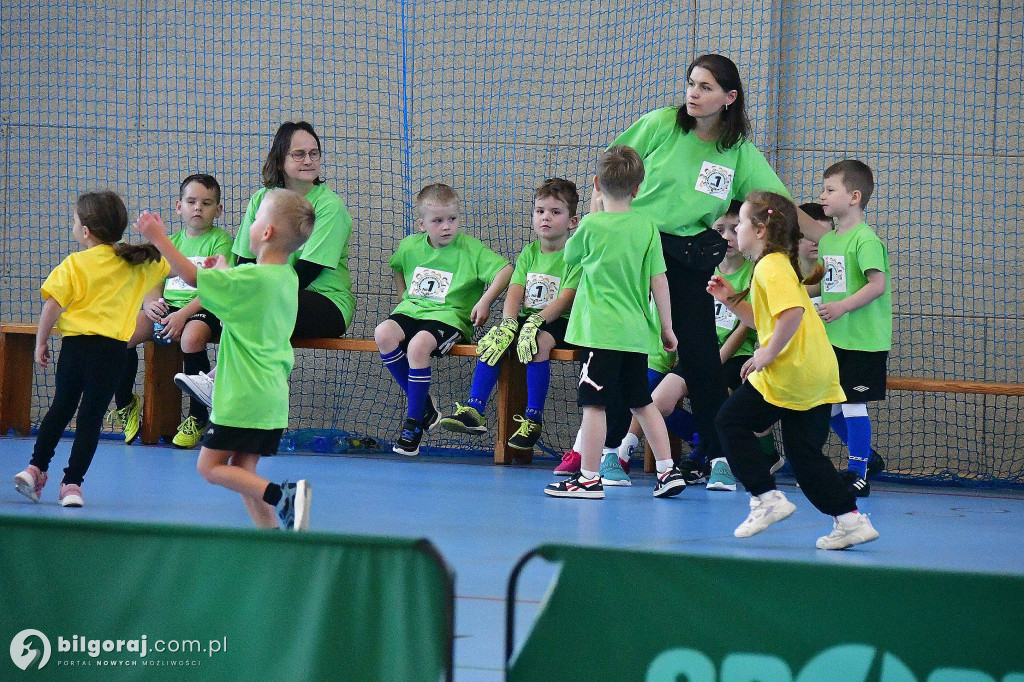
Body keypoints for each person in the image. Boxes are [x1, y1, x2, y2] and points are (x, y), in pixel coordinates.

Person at [611, 54, 824, 488]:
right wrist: (604, 227)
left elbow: (776, 205)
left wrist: (822, 237)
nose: (694, 93)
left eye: (706, 87)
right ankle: (609, 451)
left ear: (729, 98)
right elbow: (613, 174)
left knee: (701, 355)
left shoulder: (738, 152)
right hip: (633, 243)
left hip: (687, 252)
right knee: (616, 342)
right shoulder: (660, 124)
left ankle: (719, 455)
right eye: (691, 83)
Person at [708, 190, 879, 549]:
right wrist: (728, 300)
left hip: (792, 370)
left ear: (759, 229)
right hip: (815, 371)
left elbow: (792, 314)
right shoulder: (774, 266)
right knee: (804, 455)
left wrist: (767, 354)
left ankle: (765, 498)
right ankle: (850, 520)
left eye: (739, 223)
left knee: (729, 421)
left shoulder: (770, 266)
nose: (734, 230)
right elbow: (765, 320)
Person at [136, 188, 316, 530]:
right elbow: (229, 295)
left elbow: (191, 278)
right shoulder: (285, 278)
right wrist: (222, 271)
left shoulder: (249, 278)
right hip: (271, 398)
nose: (249, 223)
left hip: (242, 396)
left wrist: (158, 237)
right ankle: (271, 535)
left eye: (255, 216)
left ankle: (284, 496)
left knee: (209, 467)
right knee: (243, 472)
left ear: (266, 232)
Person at [175, 121, 355, 406]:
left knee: (258, 310)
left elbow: (304, 274)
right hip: (270, 292)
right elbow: (246, 259)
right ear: (280, 159)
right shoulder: (262, 198)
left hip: (325, 302)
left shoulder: (329, 207)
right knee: (248, 313)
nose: (308, 160)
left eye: (314, 153)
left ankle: (218, 383)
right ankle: (232, 401)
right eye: (299, 154)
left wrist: (248, 296)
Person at [543, 145, 686, 500]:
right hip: (637, 333)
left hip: (600, 334)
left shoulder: (591, 226)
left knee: (594, 404)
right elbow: (660, 281)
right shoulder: (647, 227)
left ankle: (589, 478)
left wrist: (593, 214)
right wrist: (667, 327)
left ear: (596, 184)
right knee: (642, 401)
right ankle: (668, 471)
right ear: (638, 189)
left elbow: (570, 257)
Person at [14, 192, 169, 507]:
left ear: (85, 231)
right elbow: (172, 266)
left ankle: (35, 468)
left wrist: (41, 341)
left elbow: (52, 306)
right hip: (112, 354)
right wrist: (159, 237)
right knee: (90, 419)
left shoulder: (75, 262)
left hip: (74, 349)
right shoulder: (135, 263)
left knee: (59, 409)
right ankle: (72, 485)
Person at [439, 178, 581, 450]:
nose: (546, 218)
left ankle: (532, 419)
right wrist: (508, 323)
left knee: (538, 344)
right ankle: (474, 410)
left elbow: (566, 298)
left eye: (555, 212)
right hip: (528, 319)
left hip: (559, 322)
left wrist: (537, 322)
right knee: (495, 340)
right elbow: (516, 289)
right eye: (540, 211)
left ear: (572, 221)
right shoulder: (529, 252)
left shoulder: (574, 255)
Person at [375, 183, 513, 456]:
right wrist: (403, 297)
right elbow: (397, 266)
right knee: (383, 333)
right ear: (422, 224)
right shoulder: (409, 246)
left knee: (417, 347)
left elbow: (506, 270)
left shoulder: (470, 249)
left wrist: (484, 301)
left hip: (448, 319)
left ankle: (413, 423)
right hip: (412, 311)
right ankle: (425, 405)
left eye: (453, 219)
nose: (447, 226)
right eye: (438, 221)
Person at [109, 174, 233, 448]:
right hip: (170, 307)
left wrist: (182, 315)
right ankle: (126, 402)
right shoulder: (170, 241)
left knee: (191, 338)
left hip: (203, 306)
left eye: (207, 203)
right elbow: (153, 280)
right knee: (123, 333)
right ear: (179, 206)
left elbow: (216, 287)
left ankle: (199, 416)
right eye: (191, 201)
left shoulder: (221, 242)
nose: (198, 207)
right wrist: (150, 303)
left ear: (219, 210)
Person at [815, 160, 891, 496]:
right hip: (834, 339)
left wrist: (843, 307)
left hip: (863, 341)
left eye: (831, 190)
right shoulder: (830, 241)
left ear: (854, 197)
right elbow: (828, 286)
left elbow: (877, 285)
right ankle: (867, 456)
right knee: (830, 405)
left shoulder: (865, 239)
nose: (823, 196)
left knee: (852, 403)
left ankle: (858, 470)